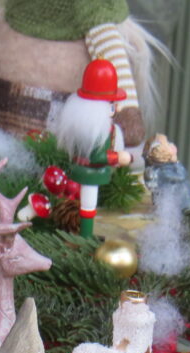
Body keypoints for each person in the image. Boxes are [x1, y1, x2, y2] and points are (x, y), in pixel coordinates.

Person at [52, 58, 132, 238]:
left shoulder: (93, 127)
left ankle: (85, 234)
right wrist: (118, 158)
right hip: (90, 174)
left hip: (88, 173)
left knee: (89, 205)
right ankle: (85, 237)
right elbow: (97, 157)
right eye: (112, 105)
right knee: (88, 206)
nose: (118, 108)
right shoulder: (94, 130)